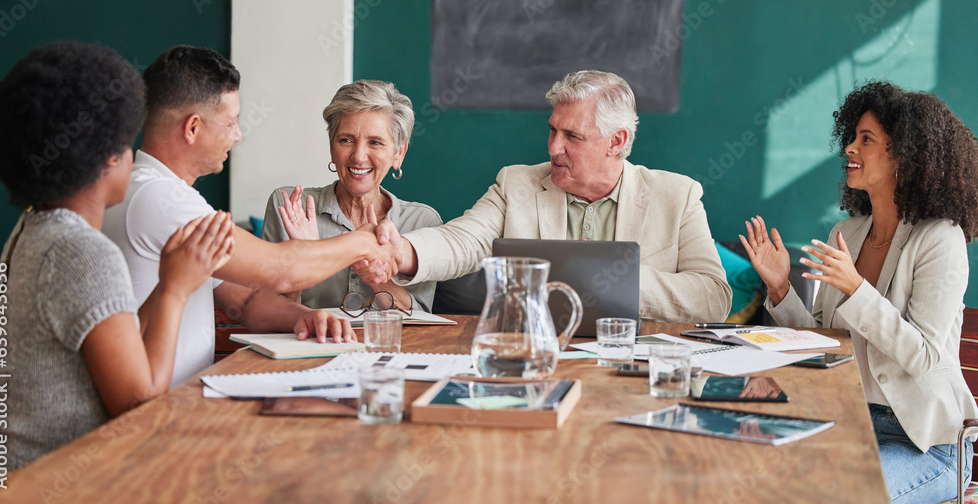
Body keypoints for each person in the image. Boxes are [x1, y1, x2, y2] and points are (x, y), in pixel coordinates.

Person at [0, 42, 233, 471]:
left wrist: (173, 276)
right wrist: (174, 289)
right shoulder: (85, 251)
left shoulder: (28, 230)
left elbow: (118, 340)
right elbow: (138, 402)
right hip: (55, 477)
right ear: (106, 159)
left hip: (6, 464)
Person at [102, 46, 397, 387]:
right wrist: (365, 240)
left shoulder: (155, 192)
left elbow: (243, 300)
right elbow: (280, 269)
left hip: (182, 401)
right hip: (161, 411)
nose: (239, 134)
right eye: (231, 122)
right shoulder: (161, 200)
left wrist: (306, 317)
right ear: (193, 128)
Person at [740, 80, 978, 503]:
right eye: (851, 137)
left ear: (904, 154)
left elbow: (922, 355)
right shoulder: (846, 233)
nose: (849, 148)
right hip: (847, 424)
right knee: (755, 473)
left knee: (839, 495)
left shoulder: (941, 238)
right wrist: (779, 287)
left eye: (865, 139)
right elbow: (824, 346)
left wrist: (856, 288)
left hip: (924, 446)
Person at [363, 70, 731, 323]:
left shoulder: (677, 195)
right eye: (553, 130)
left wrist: (615, 280)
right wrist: (402, 252)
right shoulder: (517, 183)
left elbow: (714, 298)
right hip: (537, 356)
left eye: (573, 136)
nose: (554, 147)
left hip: (637, 366)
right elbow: (463, 239)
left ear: (615, 142)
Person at [262, 80, 442, 312]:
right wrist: (301, 258)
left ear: (399, 154)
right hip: (310, 345)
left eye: (375, 142)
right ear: (331, 146)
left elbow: (420, 320)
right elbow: (267, 312)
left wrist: (373, 264)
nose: (358, 156)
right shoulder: (289, 206)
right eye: (346, 140)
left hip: (386, 346)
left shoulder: (422, 222)